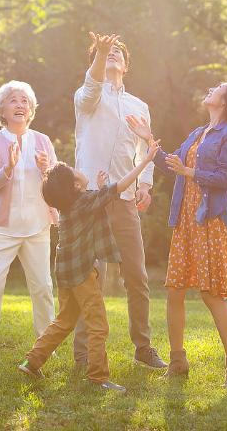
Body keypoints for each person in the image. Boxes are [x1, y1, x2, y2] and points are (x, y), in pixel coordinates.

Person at [126, 79, 227, 387]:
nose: (211, 89)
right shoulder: (198, 134)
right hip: (185, 222)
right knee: (174, 291)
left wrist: (190, 173)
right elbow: (169, 164)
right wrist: (148, 139)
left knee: (211, 295)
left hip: (208, 222)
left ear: (226, 101)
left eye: (218, 88)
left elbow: (225, 179)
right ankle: (178, 361)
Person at [17, 137, 160, 393]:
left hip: (65, 272)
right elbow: (119, 187)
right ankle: (98, 377)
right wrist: (146, 161)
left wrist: (103, 186)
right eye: (74, 170)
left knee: (64, 320)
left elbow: (98, 198)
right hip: (82, 273)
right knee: (98, 323)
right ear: (74, 184)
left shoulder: (74, 203)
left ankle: (31, 361)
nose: (78, 170)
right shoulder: (82, 202)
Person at [73, 33, 166, 369]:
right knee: (90, 277)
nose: (111, 55)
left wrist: (145, 183)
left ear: (126, 65)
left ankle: (143, 348)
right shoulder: (86, 97)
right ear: (96, 60)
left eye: (116, 53)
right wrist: (99, 53)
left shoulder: (139, 107)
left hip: (125, 199)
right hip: (90, 200)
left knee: (137, 277)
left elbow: (145, 148)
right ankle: (83, 354)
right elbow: (92, 86)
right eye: (104, 52)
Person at [0, 81, 57, 359]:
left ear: (31, 108)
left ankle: (47, 346)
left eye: (25, 100)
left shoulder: (43, 141)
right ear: (2, 109)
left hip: (37, 227)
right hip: (2, 229)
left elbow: (56, 184)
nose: (20, 104)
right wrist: (8, 168)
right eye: (13, 100)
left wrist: (48, 170)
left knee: (43, 287)